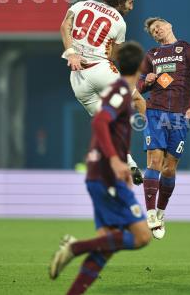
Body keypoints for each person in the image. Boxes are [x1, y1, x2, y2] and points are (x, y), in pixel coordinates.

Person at [48, 42, 151, 295]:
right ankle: (75, 247)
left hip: (100, 174)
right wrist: (117, 161)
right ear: (140, 66)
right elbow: (101, 122)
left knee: (107, 244)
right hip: (106, 174)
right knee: (141, 237)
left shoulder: (120, 90)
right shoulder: (119, 91)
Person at [60, 0, 145, 184]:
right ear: (121, 1)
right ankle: (159, 134)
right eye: (130, 2)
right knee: (138, 101)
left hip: (77, 77)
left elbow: (65, 26)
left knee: (106, 124)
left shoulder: (81, 4)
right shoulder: (119, 21)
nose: (132, 7)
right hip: (101, 70)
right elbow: (116, 55)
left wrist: (72, 53)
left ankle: (131, 164)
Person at [137, 17, 190, 239]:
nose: (156, 30)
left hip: (179, 115)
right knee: (154, 162)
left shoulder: (187, 49)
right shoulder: (151, 55)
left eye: (158, 26)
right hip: (155, 111)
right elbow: (137, 86)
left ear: (169, 25)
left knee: (169, 168)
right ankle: (149, 213)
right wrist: (145, 81)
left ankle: (160, 211)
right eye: (152, 30)